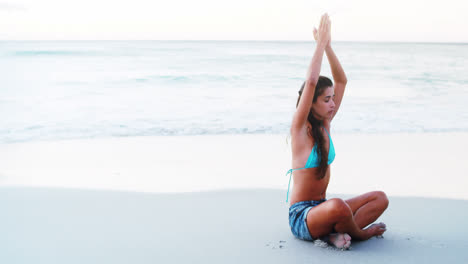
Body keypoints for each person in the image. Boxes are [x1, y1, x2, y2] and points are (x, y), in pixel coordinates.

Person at [286, 13, 389, 250]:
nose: (333, 104)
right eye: (326, 99)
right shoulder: (300, 129)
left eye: (333, 99)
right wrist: (319, 44)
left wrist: (330, 47)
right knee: (338, 206)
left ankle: (333, 235)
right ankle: (360, 234)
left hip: (324, 208)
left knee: (379, 198)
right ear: (311, 102)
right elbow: (311, 82)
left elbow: (341, 81)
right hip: (303, 217)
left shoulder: (326, 123)